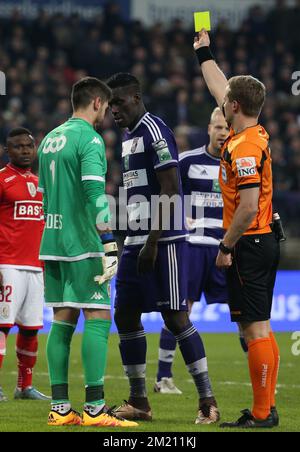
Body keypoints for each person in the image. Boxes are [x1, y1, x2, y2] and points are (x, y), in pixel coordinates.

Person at [107, 72, 220, 425]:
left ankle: (208, 402)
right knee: (124, 314)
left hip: (164, 240)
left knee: (175, 316)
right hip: (137, 239)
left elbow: (171, 188)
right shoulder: (127, 137)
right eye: (109, 105)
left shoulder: (155, 131)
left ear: (136, 98)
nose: (113, 110)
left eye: (119, 103)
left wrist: (153, 242)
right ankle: (139, 401)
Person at [38, 76, 137, 428]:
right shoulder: (90, 140)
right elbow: (96, 196)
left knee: (62, 321)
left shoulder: (49, 139)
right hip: (82, 244)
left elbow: (45, 195)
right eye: (106, 107)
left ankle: (60, 408)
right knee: (97, 318)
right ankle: (95, 408)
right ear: (96, 102)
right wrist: (109, 241)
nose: (107, 114)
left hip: (51, 242)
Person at [194, 29, 280, 428]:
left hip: (248, 242)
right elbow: (219, 87)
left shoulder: (243, 148)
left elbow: (246, 208)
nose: (220, 101)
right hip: (263, 240)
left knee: (254, 328)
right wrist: (204, 53)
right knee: (258, 326)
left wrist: (226, 246)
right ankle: (266, 410)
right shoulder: (251, 131)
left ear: (233, 106)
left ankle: (263, 414)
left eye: (225, 100)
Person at [155, 109, 249, 395]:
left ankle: (258, 375)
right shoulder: (187, 161)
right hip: (193, 247)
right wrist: (178, 217)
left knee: (244, 314)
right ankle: (163, 378)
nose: (222, 133)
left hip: (225, 248)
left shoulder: (238, 163)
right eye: (218, 127)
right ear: (209, 129)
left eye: (226, 128)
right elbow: (167, 192)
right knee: (181, 310)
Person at [0, 127, 49, 402]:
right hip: (6, 263)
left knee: (31, 329)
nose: (26, 150)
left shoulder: (40, 183)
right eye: (18, 146)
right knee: (2, 325)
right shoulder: (2, 180)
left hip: (35, 266)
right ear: (8, 151)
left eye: (29, 146)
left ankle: (24, 387)